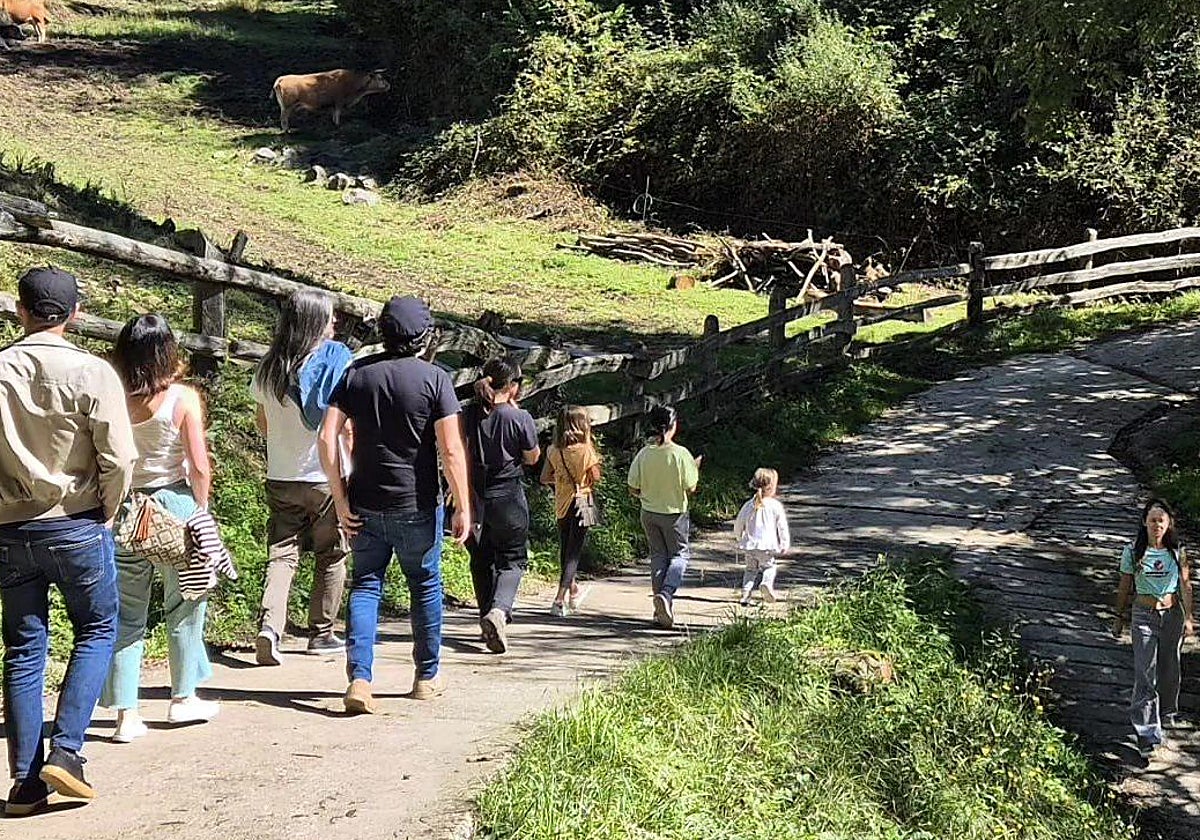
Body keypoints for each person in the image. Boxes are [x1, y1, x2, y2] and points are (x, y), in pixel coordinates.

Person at [0, 267, 136, 815]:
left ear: (20, 310)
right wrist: (109, 507)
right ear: (75, 313)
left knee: (25, 649)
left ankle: (24, 784)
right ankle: (68, 751)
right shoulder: (92, 371)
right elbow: (120, 456)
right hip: (78, 520)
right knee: (98, 628)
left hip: (9, 527)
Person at [320, 295, 472, 715]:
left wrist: (339, 497)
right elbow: (451, 449)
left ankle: (360, 679)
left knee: (366, 585)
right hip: (419, 502)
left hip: (364, 500)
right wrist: (463, 504)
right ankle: (426, 677)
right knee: (424, 584)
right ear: (425, 337)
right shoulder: (435, 380)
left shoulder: (356, 375)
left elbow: (326, 437)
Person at [100, 314, 221, 743]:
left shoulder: (110, 395)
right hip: (174, 505)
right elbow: (200, 466)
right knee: (187, 600)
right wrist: (201, 510)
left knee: (126, 613)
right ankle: (182, 697)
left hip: (127, 508)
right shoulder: (182, 398)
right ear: (168, 351)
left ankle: (125, 715)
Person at [252, 289, 353, 665]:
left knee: (281, 555)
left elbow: (263, 426)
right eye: (328, 318)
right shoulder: (333, 366)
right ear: (314, 322)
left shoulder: (267, 367)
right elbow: (342, 426)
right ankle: (321, 633)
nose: (334, 323)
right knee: (332, 553)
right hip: (324, 477)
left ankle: (270, 627)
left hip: (280, 475)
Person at [463, 357, 540, 653]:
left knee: (481, 559)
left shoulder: (468, 413)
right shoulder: (517, 418)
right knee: (512, 558)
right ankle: (499, 611)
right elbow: (532, 457)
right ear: (513, 387)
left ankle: (488, 617)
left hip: (474, 495)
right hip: (507, 495)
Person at [1113, 498, 1194, 757]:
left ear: (1169, 524)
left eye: (1161, 520)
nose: (1157, 525)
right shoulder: (1133, 552)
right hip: (1143, 615)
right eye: (1152, 520)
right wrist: (1119, 616)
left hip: (1171, 615)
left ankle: (1166, 712)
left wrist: (1189, 617)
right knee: (1145, 673)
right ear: (1144, 523)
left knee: (1170, 668)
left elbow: (1185, 585)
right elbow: (1125, 585)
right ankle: (1147, 733)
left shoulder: (1177, 551)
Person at [627, 404, 700, 630]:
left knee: (658, 555)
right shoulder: (681, 454)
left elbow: (632, 487)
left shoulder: (644, 453)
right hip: (674, 513)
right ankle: (666, 595)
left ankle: (660, 607)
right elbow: (691, 486)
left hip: (648, 512)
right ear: (673, 426)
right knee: (680, 555)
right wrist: (696, 468)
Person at [541, 405, 602, 617]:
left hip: (561, 503)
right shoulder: (586, 451)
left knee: (565, 547)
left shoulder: (553, 451)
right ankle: (559, 599)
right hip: (583, 501)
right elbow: (596, 476)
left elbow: (544, 477)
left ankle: (573, 589)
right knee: (574, 552)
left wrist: (560, 482)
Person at [733, 467, 790, 606]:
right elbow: (782, 527)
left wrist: (739, 537)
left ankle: (745, 595)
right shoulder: (775, 506)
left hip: (750, 546)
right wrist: (784, 544)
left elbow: (739, 523)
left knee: (750, 570)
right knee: (769, 567)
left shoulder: (748, 505)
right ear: (772, 487)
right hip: (766, 546)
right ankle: (766, 584)